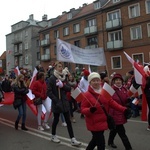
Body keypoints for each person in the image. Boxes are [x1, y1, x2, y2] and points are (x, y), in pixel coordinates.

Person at [81, 72, 131, 150]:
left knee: (95, 141)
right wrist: (89, 110)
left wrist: (124, 109)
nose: (96, 82)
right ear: (90, 82)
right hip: (93, 123)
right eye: (94, 80)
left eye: (97, 80)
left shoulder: (104, 92)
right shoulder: (86, 95)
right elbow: (83, 109)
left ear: (100, 81)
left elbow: (112, 102)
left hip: (103, 122)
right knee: (101, 144)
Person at [47, 61, 81, 146]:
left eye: (61, 66)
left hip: (64, 102)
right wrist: (56, 100)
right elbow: (49, 92)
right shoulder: (52, 78)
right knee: (56, 120)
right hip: (57, 103)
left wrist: (62, 86)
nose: (61, 68)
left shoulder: (63, 77)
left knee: (68, 121)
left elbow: (69, 88)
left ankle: (72, 139)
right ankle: (53, 135)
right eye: (59, 66)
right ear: (55, 68)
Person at [108, 73, 132, 150]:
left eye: (119, 80)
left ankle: (110, 141)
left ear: (122, 81)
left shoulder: (124, 89)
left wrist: (128, 100)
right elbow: (109, 101)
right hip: (115, 113)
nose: (118, 81)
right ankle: (129, 148)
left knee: (114, 130)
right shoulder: (110, 90)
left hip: (122, 112)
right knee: (122, 133)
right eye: (116, 80)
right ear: (114, 81)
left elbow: (126, 97)